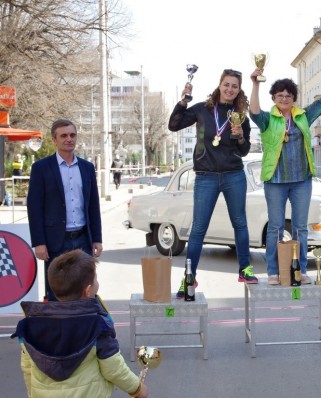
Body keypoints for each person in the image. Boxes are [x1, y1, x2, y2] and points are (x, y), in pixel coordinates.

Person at [249, 62, 321, 285]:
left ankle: (300, 269)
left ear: (294, 99)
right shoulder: (267, 120)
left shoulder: (303, 116)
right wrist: (255, 84)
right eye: (280, 95)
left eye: (289, 95)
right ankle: (274, 271)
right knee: (275, 227)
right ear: (273, 98)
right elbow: (253, 110)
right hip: (275, 180)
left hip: (301, 180)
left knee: (301, 227)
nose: (284, 98)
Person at [168, 68, 258, 297]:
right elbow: (174, 125)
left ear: (239, 90)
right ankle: (189, 277)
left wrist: (239, 135)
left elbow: (245, 151)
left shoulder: (240, 115)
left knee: (240, 223)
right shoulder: (202, 110)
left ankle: (245, 269)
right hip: (206, 176)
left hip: (233, 175)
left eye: (234, 86)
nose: (230, 89)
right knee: (198, 228)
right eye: (226, 84)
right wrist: (183, 101)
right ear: (220, 85)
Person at [11, 250, 149, 398]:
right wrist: (137, 389)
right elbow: (113, 367)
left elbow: (27, 369)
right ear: (88, 290)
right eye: (95, 279)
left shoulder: (29, 327)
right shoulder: (97, 326)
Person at [27, 119, 102, 301]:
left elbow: (93, 204)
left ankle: (84, 328)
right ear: (54, 139)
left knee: (86, 290)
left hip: (83, 239)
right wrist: (39, 242)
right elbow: (34, 206)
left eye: (72, 135)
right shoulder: (41, 168)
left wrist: (97, 239)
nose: (69, 139)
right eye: (64, 136)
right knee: (56, 293)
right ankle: (58, 328)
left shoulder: (87, 168)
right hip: (55, 242)